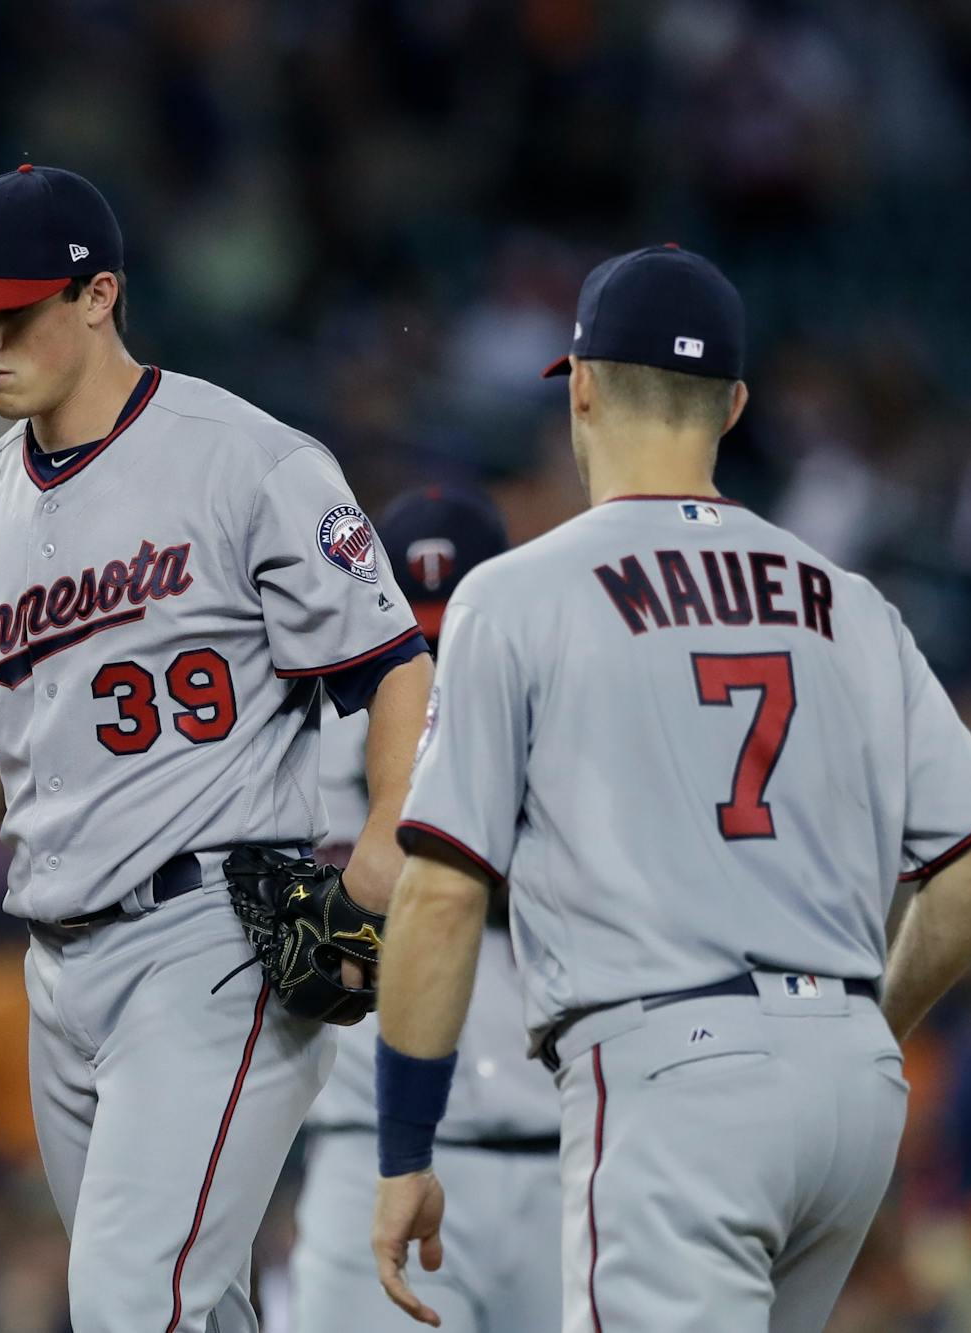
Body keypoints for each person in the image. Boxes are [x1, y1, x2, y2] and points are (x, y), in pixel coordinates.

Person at [0, 163, 434, 1331]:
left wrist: (390, 830)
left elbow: (393, 664)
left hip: (217, 933)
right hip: (57, 964)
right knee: (189, 1303)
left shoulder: (247, 458)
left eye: (14, 308)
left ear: (100, 297)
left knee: (134, 1301)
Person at [368, 245, 971, 1332]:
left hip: (675, 1077)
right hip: (846, 1093)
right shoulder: (848, 599)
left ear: (579, 384)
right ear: (732, 406)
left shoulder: (519, 594)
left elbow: (440, 897)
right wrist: (872, 1022)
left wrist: (403, 1151)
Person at [294, 485, 559, 1333]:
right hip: (366, 1156)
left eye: (453, 637)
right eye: (416, 640)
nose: (437, 664)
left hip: (565, 1164)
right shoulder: (300, 745)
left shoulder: (565, 737)